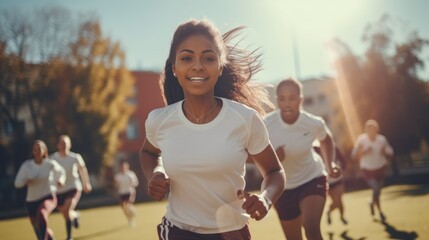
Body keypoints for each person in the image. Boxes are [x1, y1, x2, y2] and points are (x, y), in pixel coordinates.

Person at [139, 18, 286, 240]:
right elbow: (149, 152)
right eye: (187, 58)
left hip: (233, 232)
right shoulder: (159, 120)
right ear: (175, 68)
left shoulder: (244, 119)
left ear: (220, 67)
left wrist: (265, 199)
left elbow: (275, 172)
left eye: (208, 58)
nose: (197, 65)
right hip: (179, 231)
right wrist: (155, 173)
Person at [263, 78, 341, 240]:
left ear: (300, 100)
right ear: (277, 100)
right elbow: (248, 155)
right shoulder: (266, 124)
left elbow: (326, 139)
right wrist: (273, 158)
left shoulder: (313, 123)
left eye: (292, 98)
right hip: (282, 188)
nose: (287, 103)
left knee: (311, 228)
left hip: (312, 179)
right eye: (282, 99)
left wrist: (330, 164)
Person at [14, 140, 66, 240]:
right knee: (39, 228)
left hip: (48, 197)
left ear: (45, 150)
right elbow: (17, 183)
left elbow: (61, 172)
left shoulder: (50, 163)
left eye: (40, 148)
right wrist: (26, 181)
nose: (37, 151)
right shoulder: (27, 166)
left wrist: (60, 180)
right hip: (31, 201)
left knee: (42, 213)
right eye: (35, 149)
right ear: (33, 151)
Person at [50, 135, 92, 240]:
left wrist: (86, 183)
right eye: (62, 143)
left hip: (73, 187)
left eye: (66, 143)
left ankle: (69, 237)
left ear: (70, 145)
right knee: (65, 213)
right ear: (58, 145)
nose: (64, 146)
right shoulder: (52, 158)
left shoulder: (75, 157)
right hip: (58, 190)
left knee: (67, 209)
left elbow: (83, 169)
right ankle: (76, 215)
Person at [351, 119, 393, 222]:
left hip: (380, 168)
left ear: (377, 130)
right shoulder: (361, 140)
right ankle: (380, 212)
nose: (371, 131)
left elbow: (390, 153)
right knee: (376, 189)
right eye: (369, 129)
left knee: (378, 191)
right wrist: (363, 152)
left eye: (373, 129)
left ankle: (371, 203)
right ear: (366, 130)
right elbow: (354, 156)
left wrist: (385, 153)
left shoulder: (382, 140)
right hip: (367, 169)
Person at [314, 144, 348, 225]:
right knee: (336, 201)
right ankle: (329, 212)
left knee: (339, 200)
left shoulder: (335, 148)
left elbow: (343, 161)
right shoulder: (315, 150)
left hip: (337, 178)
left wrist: (341, 169)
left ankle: (342, 217)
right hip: (327, 181)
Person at [114, 159, 139, 227]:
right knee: (124, 208)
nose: (123, 168)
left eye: (124, 166)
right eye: (122, 166)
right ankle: (130, 219)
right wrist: (116, 184)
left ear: (127, 167)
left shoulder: (131, 174)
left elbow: (136, 183)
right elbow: (116, 186)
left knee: (126, 205)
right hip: (122, 193)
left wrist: (132, 182)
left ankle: (133, 212)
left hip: (130, 192)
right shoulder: (118, 176)